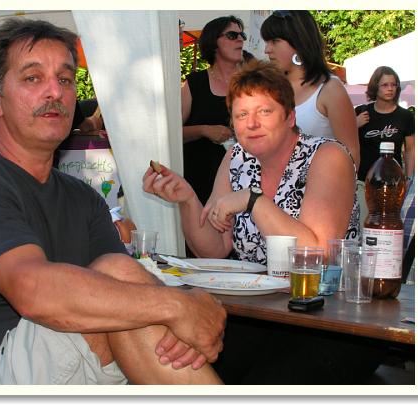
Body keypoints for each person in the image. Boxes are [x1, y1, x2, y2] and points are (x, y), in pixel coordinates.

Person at [0, 18, 225, 385]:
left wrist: (179, 320)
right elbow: (35, 291)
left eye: (65, 80)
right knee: (118, 278)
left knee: (124, 289)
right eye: (33, 78)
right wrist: (179, 307)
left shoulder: (82, 197)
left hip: (73, 369)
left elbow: (131, 294)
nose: (55, 92)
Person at [143, 60, 383, 384]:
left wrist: (254, 201)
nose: (252, 123)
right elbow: (213, 249)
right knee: (187, 364)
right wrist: (187, 200)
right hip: (261, 314)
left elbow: (317, 255)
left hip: (332, 321)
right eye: (241, 115)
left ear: (290, 117)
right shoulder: (235, 159)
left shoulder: (327, 156)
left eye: (264, 111)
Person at [260, 10, 360, 168]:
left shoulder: (330, 89)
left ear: (298, 41)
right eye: (267, 42)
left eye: (274, 41)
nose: (267, 49)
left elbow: (351, 155)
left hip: (321, 182)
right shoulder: (270, 88)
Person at [182, 15, 246, 207]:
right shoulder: (195, 83)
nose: (240, 39)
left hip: (243, 179)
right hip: (199, 180)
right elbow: (172, 134)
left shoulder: (252, 82)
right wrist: (204, 130)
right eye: (232, 35)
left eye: (242, 35)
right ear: (213, 42)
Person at [355, 66, 415, 226]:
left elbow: (410, 149)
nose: (390, 89)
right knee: (364, 225)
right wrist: (354, 124)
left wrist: (408, 178)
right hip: (363, 181)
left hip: (393, 183)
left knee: (389, 225)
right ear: (375, 87)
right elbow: (344, 141)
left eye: (393, 85)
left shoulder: (405, 116)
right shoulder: (362, 112)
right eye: (385, 85)